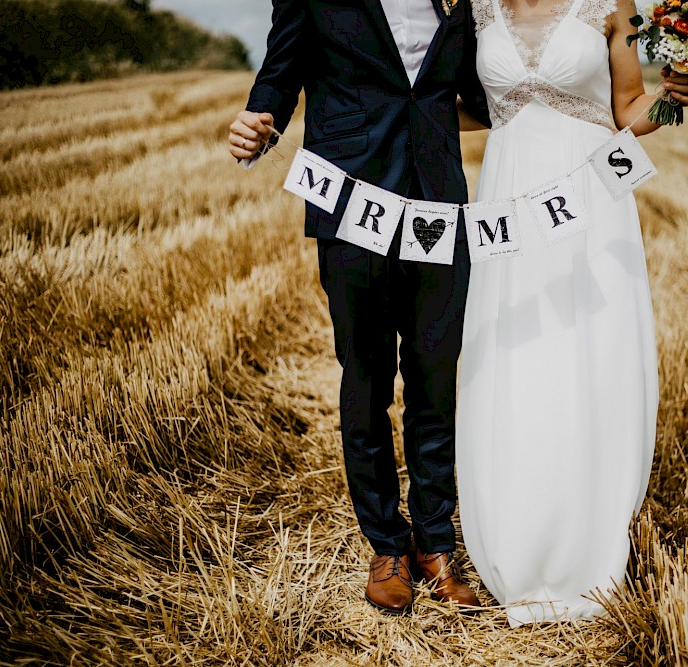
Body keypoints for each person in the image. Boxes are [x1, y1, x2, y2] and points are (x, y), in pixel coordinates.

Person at [227, 0, 492, 615]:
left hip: (438, 202)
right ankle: (386, 545)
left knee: (436, 377)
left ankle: (436, 543)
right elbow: (280, 70)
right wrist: (258, 120)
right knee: (367, 379)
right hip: (351, 201)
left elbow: (479, 90)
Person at [454, 0, 688, 626]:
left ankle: (588, 545)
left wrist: (677, 95)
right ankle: (515, 540)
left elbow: (630, 109)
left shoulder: (611, 4)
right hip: (508, 204)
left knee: (587, 354)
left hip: (590, 200)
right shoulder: (477, 6)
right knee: (512, 357)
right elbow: (445, 103)